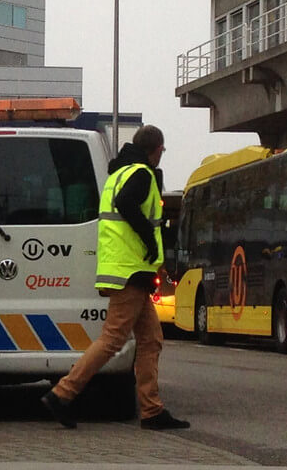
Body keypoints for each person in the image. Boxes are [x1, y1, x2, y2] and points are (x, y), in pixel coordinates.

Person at [41, 125, 190, 431]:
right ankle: (62, 393)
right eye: (162, 150)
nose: (162, 155)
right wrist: (149, 240)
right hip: (131, 270)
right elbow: (128, 205)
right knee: (113, 339)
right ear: (157, 148)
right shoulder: (142, 174)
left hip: (125, 269)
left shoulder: (116, 174)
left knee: (151, 340)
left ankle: (151, 410)